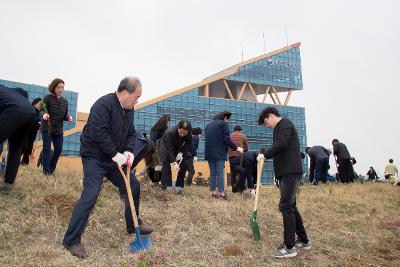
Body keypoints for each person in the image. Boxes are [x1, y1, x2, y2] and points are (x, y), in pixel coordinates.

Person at [63, 76, 153, 259]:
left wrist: (128, 151)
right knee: (91, 194)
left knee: (133, 187)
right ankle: (71, 239)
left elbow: (130, 133)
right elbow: (97, 132)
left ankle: (132, 224)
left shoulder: (129, 109)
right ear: (125, 93)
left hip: (114, 159)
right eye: (136, 96)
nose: (137, 100)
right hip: (95, 157)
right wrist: (115, 154)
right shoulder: (103, 104)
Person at [257, 107, 309, 258]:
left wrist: (265, 155)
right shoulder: (279, 128)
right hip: (285, 172)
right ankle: (304, 241)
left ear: (271, 115)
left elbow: (282, 143)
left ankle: (289, 247)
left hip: (290, 171)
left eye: (266, 123)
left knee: (285, 206)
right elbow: (281, 148)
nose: (267, 126)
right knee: (291, 206)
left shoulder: (285, 124)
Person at [0, 85, 36, 194]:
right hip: (30, 112)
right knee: (16, 147)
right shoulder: (7, 91)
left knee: (15, 146)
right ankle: (8, 186)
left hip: (14, 110)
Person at [205, 111, 244, 200]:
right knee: (220, 173)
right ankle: (222, 193)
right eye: (228, 119)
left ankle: (213, 193)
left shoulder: (209, 125)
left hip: (209, 153)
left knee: (213, 173)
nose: (228, 121)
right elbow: (226, 139)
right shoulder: (223, 124)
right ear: (225, 117)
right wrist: (236, 148)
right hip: (219, 152)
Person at [41, 78, 73, 175]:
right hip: (48, 128)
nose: (60, 89)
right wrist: (44, 115)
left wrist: (68, 117)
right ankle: (46, 171)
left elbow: (65, 115)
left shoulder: (65, 101)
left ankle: (51, 169)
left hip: (58, 129)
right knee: (46, 148)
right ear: (53, 87)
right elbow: (43, 109)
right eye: (58, 87)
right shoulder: (47, 98)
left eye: (62, 88)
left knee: (58, 150)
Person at [157, 120, 192, 193]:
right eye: (180, 132)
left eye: (184, 133)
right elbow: (170, 149)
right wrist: (174, 162)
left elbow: (188, 144)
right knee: (166, 162)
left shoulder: (189, 133)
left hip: (178, 147)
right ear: (178, 128)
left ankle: (178, 186)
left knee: (185, 161)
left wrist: (181, 153)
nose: (182, 134)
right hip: (165, 146)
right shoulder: (170, 132)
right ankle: (166, 187)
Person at [21, 98, 42, 165]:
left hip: (32, 135)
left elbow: (39, 123)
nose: (40, 106)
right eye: (39, 104)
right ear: (34, 104)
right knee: (24, 148)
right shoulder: (30, 110)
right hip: (25, 133)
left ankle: (24, 164)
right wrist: (37, 123)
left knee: (29, 149)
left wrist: (40, 125)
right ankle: (13, 161)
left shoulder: (39, 114)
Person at [227, 125, 248, 193]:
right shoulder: (243, 136)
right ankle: (239, 188)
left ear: (234, 130)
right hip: (240, 157)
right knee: (240, 172)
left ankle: (234, 189)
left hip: (231, 156)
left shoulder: (229, 136)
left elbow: (227, 145)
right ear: (240, 130)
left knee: (233, 173)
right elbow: (246, 147)